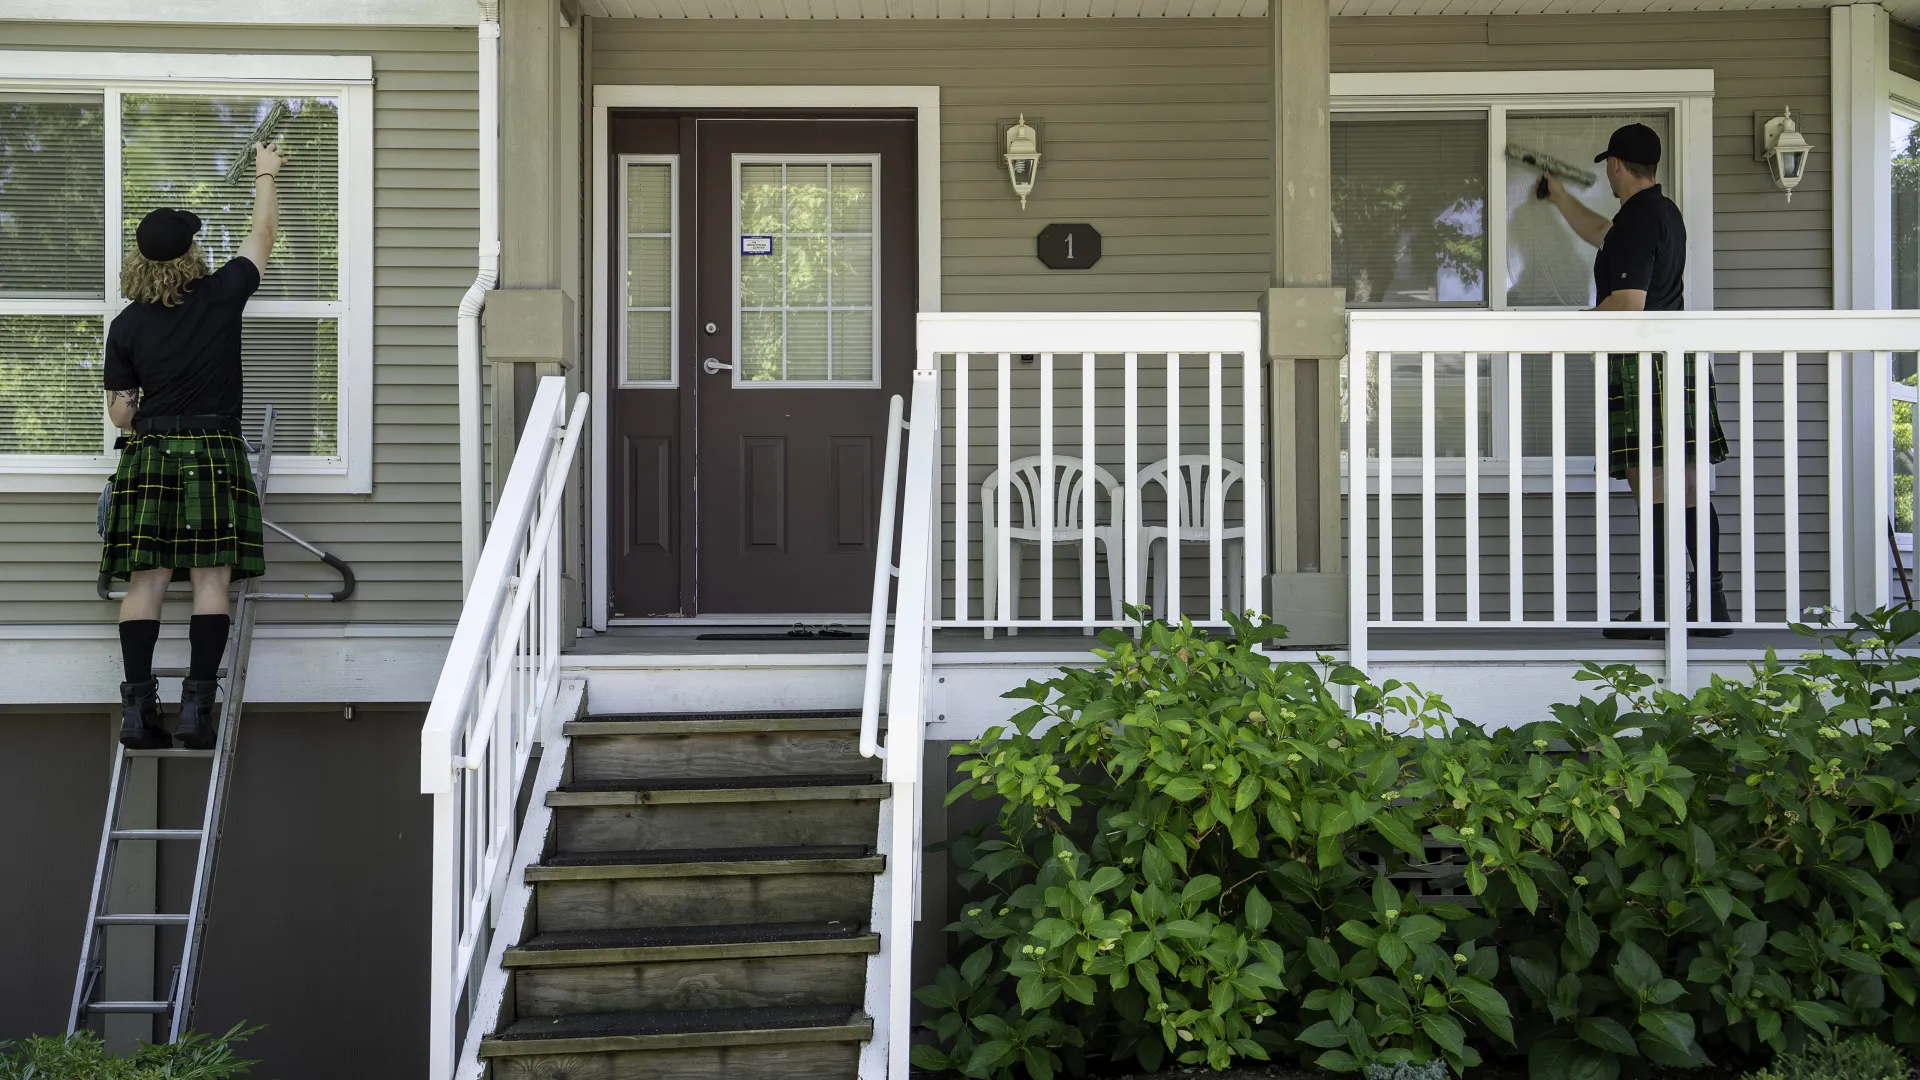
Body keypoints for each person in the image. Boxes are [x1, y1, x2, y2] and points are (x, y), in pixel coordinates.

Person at [101, 141, 285, 749]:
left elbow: (121, 415)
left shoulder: (126, 324)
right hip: (213, 450)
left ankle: (135, 714)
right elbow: (262, 235)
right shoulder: (221, 295)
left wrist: (151, 406)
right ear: (190, 253)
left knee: (145, 582)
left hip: (152, 455)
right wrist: (265, 173)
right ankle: (194, 713)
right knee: (211, 580)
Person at [1542, 123, 1731, 639]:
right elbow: (1603, 234)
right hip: (1679, 363)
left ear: (1617, 166)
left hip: (1646, 366)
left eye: (1609, 166)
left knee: (1651, 488)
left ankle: (1659, 609)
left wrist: (1578, 334)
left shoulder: (1637, 223)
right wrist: (1561, 198)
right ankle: (1709, 605)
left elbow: (1628, 304)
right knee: (1688, 488)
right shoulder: (1660, 214)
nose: (1607, 173)